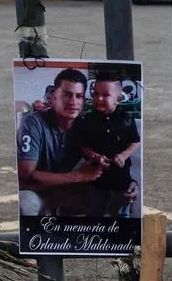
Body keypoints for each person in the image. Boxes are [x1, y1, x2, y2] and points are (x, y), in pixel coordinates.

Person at [16, 69, 104, 215]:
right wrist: (78, 176)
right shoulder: (33, 122)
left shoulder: (85, 125)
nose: (73, 102)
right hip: (36, 192)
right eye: (66, 95)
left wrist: (132, 183)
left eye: (79, 96)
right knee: (25, 203)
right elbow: (26, 175)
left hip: (67, 191)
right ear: (53, 97)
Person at [70, 74, 141, 216]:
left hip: (121, 179)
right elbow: (83, 146)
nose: (99, 99)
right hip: (96, 179)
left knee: (121, 213)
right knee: (96, 211)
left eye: (105, 95)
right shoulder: (87, 120)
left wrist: (123, 155)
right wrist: (94, 156)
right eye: (95, 94)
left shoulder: (126, 119)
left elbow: (135, 141)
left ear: (118, 99)